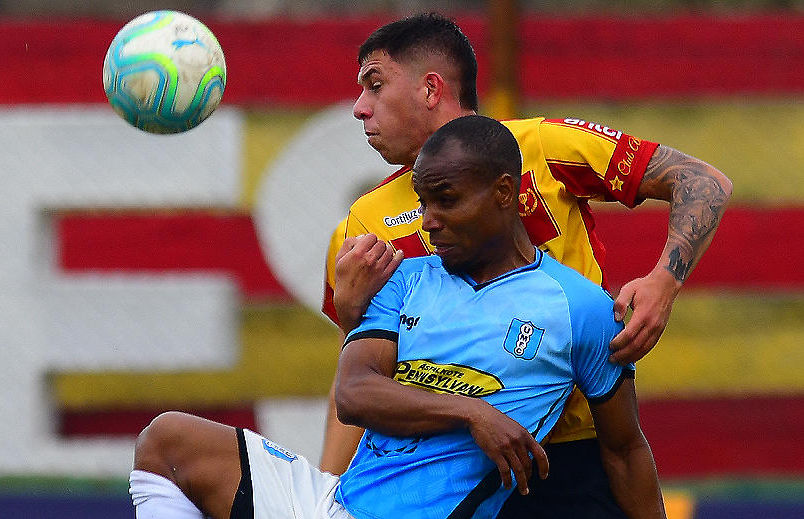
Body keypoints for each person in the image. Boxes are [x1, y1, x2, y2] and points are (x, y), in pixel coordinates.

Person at [129, 114, 667, 519]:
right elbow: (355, 392)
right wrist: (472, 414)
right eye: (424, 203)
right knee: (167, 439)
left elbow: (624, 450)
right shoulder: (406, 279)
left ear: (504, 193)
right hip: (335, 505)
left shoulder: (584, 310)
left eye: (446, 200)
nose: (429, 221)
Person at [320, 12, 732, 518]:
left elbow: (702, 181)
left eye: (374, 86)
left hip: (578, 450)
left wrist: (664, 281)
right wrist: (347, 312)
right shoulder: (365, 220)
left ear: (431, 90)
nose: (359, 109)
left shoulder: (544, 147)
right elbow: (360, 378)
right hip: (448, 468)